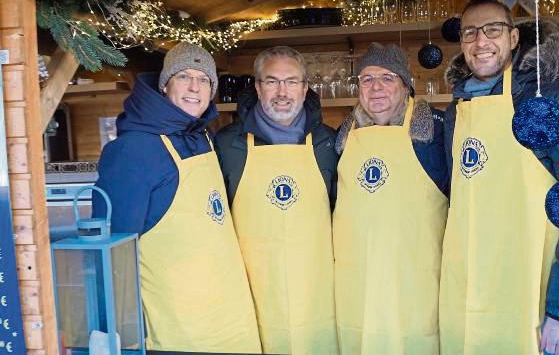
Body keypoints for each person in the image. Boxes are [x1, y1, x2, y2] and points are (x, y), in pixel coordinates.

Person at [438, 0, 559, 355]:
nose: (481, 41)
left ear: (514, 38)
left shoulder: (556, 100)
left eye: (492, 29)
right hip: (466, 299)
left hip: (532, 297)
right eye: (470, 32)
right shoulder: (455, 112)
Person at [93, 42, 261, 353]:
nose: (194, 87)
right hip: (179, 334)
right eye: (184, 76)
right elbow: (112, 253)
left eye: (204, 79)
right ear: (165, 83)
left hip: (231, 321)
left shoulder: (203, 136)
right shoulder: (134, 150)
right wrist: (117, 331)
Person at [215, 46, 338, 355]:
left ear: (305, 87)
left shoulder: (330, 141)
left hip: (318, 295)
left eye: (291, 81)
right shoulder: (226, 144)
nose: (282, 92)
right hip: (253, 295)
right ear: (257, 87)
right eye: (271, 81)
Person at [332, 42, 448, 354]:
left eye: (387, 77)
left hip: (418, 287)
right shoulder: (342, 137)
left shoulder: (437, 132)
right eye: (367, 79)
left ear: (406, 85)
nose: (376, 87)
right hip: (358, 288)